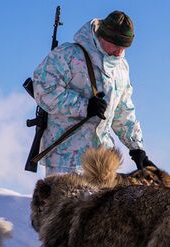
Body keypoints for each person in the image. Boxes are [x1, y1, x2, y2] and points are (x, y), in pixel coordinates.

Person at [32, 10, 155, 176]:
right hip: (66, 161)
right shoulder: (68, 55)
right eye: (116, 45)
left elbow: (123, 110)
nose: (119, 52)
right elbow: (43, 89)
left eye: (124, 47)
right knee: (67, 203)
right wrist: (84, 106)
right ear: (102, 37)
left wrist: (136, 148)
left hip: (102, 162)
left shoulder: (121, 68)